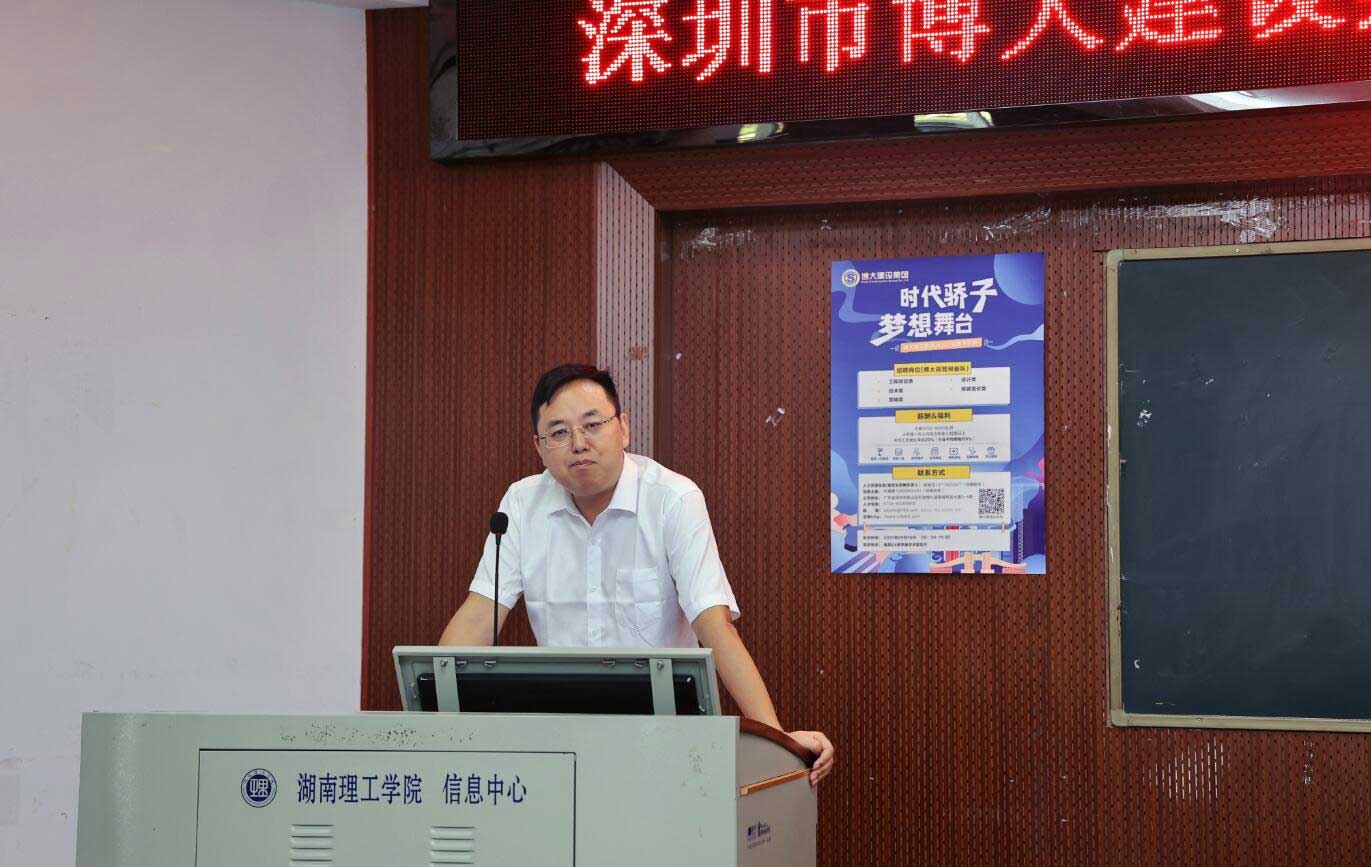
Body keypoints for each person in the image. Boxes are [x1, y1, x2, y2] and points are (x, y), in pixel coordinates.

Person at [439, 363, 835, 785]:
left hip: (664, 744)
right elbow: (480, 615)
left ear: (623, 428)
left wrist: (777, 742)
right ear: (539, 447)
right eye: (559, 432)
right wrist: (432, 723)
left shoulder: (673, 499)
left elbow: (714, 626)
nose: (578, 444)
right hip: (561, 745)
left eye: (593, 425)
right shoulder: (522, 504)